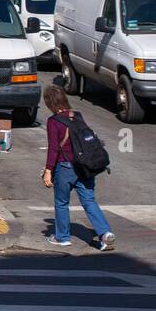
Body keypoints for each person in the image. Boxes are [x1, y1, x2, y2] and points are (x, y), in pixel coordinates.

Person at [43, 79, 116, 250]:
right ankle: (105, 234)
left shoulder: (53, 121)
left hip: (65, 167)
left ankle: (62, 237)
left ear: (49, 103)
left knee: (61, 202)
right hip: (85, 166)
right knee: (89, 201)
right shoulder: (77, 116)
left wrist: (48, 170)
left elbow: (54, 148)